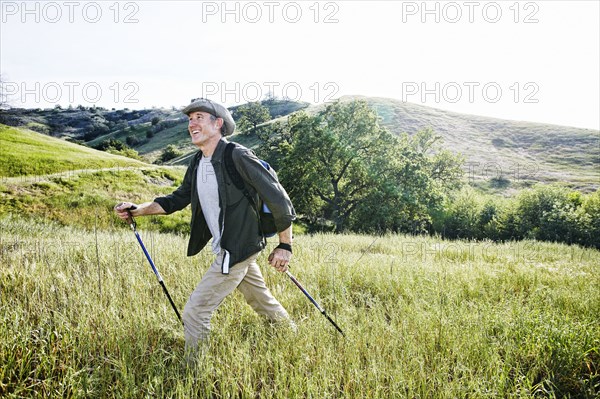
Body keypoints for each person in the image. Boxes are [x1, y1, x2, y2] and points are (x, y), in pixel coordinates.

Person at [114, 98, 296, 356]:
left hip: (237, 248)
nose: (192, 123)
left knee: (195, 311)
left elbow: (278, 198)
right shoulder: (198, 162)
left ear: (218, 123)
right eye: (190, 119)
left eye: (199, 117)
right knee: (260, 299)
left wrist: (285, 245)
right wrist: (138, 209)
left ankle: (193, 373)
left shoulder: (238, 155)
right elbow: (176, 199)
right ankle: (290, 335)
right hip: (232, 247)